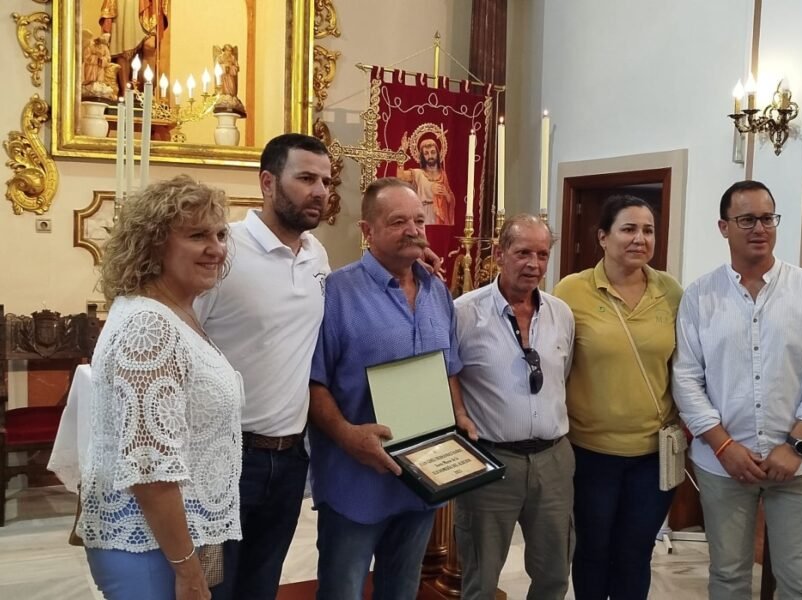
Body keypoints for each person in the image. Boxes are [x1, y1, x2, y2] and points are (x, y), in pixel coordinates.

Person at [672, 180, 802, 600]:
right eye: (746, 219)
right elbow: (686, 379)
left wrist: (796, 447)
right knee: (728, 578)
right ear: (723, 226)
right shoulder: (699, 296)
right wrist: (722, 445)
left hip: (799, 469)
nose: (759, 228)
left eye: (767, 218)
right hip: (724, 467)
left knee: (801, 584)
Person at [78, 175, 243, 600]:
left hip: (170, 537)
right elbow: (151, 470)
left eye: (221, 234)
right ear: (154, 244)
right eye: (197, 235)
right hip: (149, 544)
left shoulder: (174, 311)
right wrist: (188, 572)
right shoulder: (150, 326)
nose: (217, 248)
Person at [308, 177, 469, 600]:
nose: (414, 230)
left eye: (420, 219)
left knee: (401, 590)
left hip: (420, 482)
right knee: (342, 591)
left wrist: (461, 416)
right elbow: (313, 382)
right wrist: (347, 436)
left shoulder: (437, 290)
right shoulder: (336, 293)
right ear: (368, 231)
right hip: (355, 484)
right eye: (399, 221)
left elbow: (448, 366)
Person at [194, 133, 331, 600]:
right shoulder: (223, 250)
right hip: (227, 454)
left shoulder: (317, 253)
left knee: (262, 585)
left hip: (291, 456)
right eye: (306, 178)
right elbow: (183, 338)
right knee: (218, 587)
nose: (319, 191)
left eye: (326, 182)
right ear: (268, 182)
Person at [554, 195, 683, 600]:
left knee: (634, 552)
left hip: (653, 455)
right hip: (591, 453)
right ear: (603, 237)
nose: (639, 239)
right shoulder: (571, 292)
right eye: (628, 229)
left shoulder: (671, 291)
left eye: (648, 230)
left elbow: (685, 366)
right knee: (593, 550)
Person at [453, 214, 575, 600]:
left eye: (542, 254)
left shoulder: (562, 314)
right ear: (500, 252)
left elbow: (562, 375)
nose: (533, 264)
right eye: (523, 252)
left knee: (554, 573)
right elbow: (447, 374)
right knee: (481, 578)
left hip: (553, 461)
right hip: (490, 461)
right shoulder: (463, 313)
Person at [398, 131, 456, 226]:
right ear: (422, 156)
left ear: (437, 153)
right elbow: (400, 177)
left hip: (440, 220)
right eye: (426, 153)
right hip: (423, 216)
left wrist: (445, 193)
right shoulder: (418, 174)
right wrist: (402, 152)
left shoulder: (443, 175)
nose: (430, 156)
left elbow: (451, 200)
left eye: (433, 152)